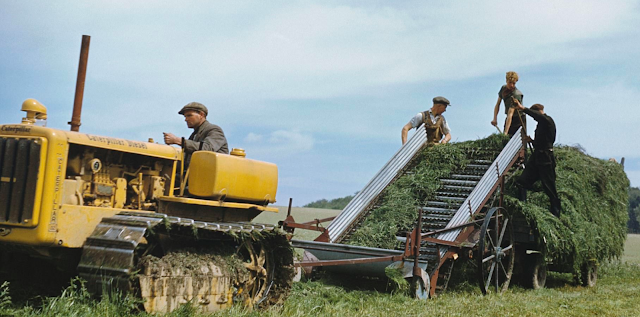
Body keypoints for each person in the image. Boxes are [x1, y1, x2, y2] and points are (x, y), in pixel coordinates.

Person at [513, 100, 561, 217]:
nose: (535, 119)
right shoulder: (541, 124)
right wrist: (532, 141)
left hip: (546, 158)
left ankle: (556, 214)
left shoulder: (547, 120)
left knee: (549, 187)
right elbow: (541, 142)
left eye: (535, 115)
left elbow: (537, 116)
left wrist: (522, 108)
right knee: (521, 182)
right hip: (537, 157)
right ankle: (523, 210)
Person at [163, 102, 229, 168]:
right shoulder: (194, 135)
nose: (186, 119)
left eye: (189, 115)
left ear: (201, 115)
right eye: (185, 116)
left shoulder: (214, 130)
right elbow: (186, 161)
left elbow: (206, 149)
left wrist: (178, 140)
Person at [491, 71, 526, 136]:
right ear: (506, 80)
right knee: (507, 141)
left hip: (519, 119)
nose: (512, 85)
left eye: (514, 83)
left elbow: (510, 113)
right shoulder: (503, 89)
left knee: (517, 140)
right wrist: (495, 118)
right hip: (509, 118)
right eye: (510, 83)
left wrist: (505, 133)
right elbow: (498, 104)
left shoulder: (516, 94)